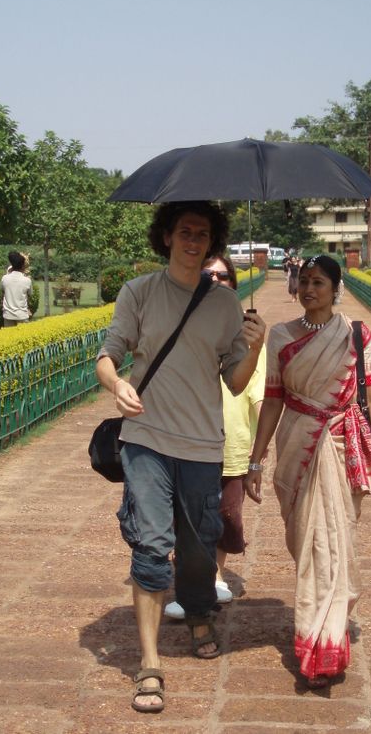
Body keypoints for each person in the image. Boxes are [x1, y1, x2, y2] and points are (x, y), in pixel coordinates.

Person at [95, 201, 266, 713]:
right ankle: (149, 663)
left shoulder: (225, 304)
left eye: (203, 234)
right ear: (166, 236)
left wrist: (254, 347)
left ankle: (196, 610)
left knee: (197, 548)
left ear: (213, 243)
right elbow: (109, 353)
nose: (194, 241)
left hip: (201, 446)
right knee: (150, 546)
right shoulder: (140, 292)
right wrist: (116, 383)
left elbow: (235, 383)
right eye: (185, 231)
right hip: (145, 438)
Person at [244, 255, 371, 689]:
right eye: (304, 281)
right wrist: (256, 461)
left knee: (336, 540)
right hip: (295, 443)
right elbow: (272, 399)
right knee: (306, 542)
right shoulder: (280, 336)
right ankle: (319, 622)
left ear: (336, 288)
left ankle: (323, 644)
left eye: (319, 282)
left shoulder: (356, 335)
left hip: (341, 444)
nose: (310, 289)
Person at [164, 254, 267, 620]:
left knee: (226, 516)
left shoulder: (248, 334)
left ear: (233, 284)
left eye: (223, 276)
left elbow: (256, 394)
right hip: (188, 438)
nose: (215, 280)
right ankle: (194, 582)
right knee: (188, 515)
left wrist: (260, 453)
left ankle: (216, 572)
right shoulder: (179, 324)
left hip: (233, 442)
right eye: (208, 274)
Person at [1, 251, 32, 327]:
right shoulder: (27, 280)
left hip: (8, 315)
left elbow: (2, 292)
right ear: (22, 266)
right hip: (22, 315)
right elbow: (30, 294)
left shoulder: (4, 278)